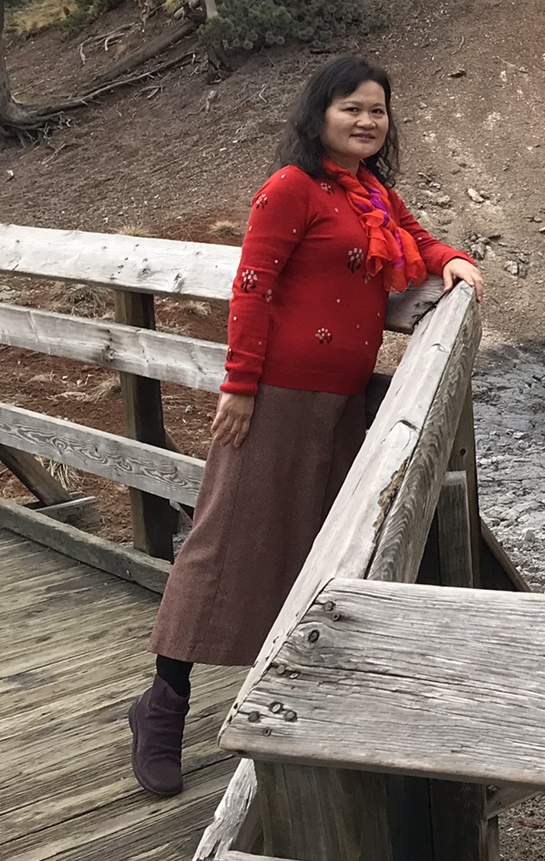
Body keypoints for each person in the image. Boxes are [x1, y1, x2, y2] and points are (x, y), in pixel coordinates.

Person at [127, 55, 482, 797]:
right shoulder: (291, 189)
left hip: (339, 404)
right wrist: (239, 388)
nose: (366, 120)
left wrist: (453, 263)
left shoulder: (372, 195)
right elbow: (251, 288)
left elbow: (422, 240)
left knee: (319, 545)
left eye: (377, 110)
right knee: (224, 544)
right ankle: (162, 706)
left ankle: (299, 694)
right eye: (351, 107)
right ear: (319, 113)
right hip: (278, 395)